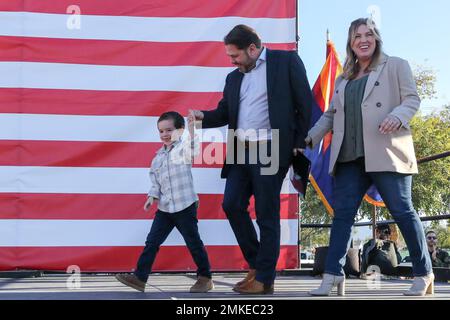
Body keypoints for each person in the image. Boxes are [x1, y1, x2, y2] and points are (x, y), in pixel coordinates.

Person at [305, 18, 434, 296]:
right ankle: (332, 274)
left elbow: (411, 99)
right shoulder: (343, 78)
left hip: (385, 151)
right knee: (342, 217)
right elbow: (330, 115)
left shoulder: (396, 65)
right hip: (349, 158)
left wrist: (396, 116)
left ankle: (424, 273)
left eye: (368, 34)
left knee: (402, 211)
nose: (363, 39)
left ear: (376, 38)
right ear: (350, 43)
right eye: (356, 36)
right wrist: (309, 138)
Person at [189, 24, 312, 294]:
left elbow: (305, 104)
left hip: (271, 148)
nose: (232, 61)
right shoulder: (234, 78)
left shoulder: (286, 62)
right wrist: (202, 117)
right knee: (232, 204)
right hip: (240, 150)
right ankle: (259, 266)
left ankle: (264, 279)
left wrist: (300, 144)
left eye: (235, 56)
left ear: (253, 49)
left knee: (267, 214)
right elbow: (224, 112)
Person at [115, 111, 213, 293]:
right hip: (165, 208)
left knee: (193, 242)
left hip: (185, 206)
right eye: (161, 131)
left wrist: (192, 130)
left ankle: (205, 277)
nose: (165, 134)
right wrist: (152, 197)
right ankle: (140, 278)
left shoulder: (182, 149)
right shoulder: (157, 157)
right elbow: (155, 181)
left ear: (180, 130)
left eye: (169, 130)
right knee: (152, 242)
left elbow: (195, 150)